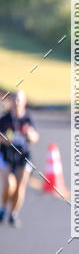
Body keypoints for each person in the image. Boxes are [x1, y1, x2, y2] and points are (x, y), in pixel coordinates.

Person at [0, 91, 39, 228]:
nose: (16, 103)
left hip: (23, 156)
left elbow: (35, 137)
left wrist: (30, 135)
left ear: (24, 102)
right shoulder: (5, 119)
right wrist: (4, 140)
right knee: (10, 185)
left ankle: (13, 214)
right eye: (14, 100)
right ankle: (3, 208)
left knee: (20, 186)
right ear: (10, 102)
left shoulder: (27, 119)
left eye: (19, 100)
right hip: (6, 155)